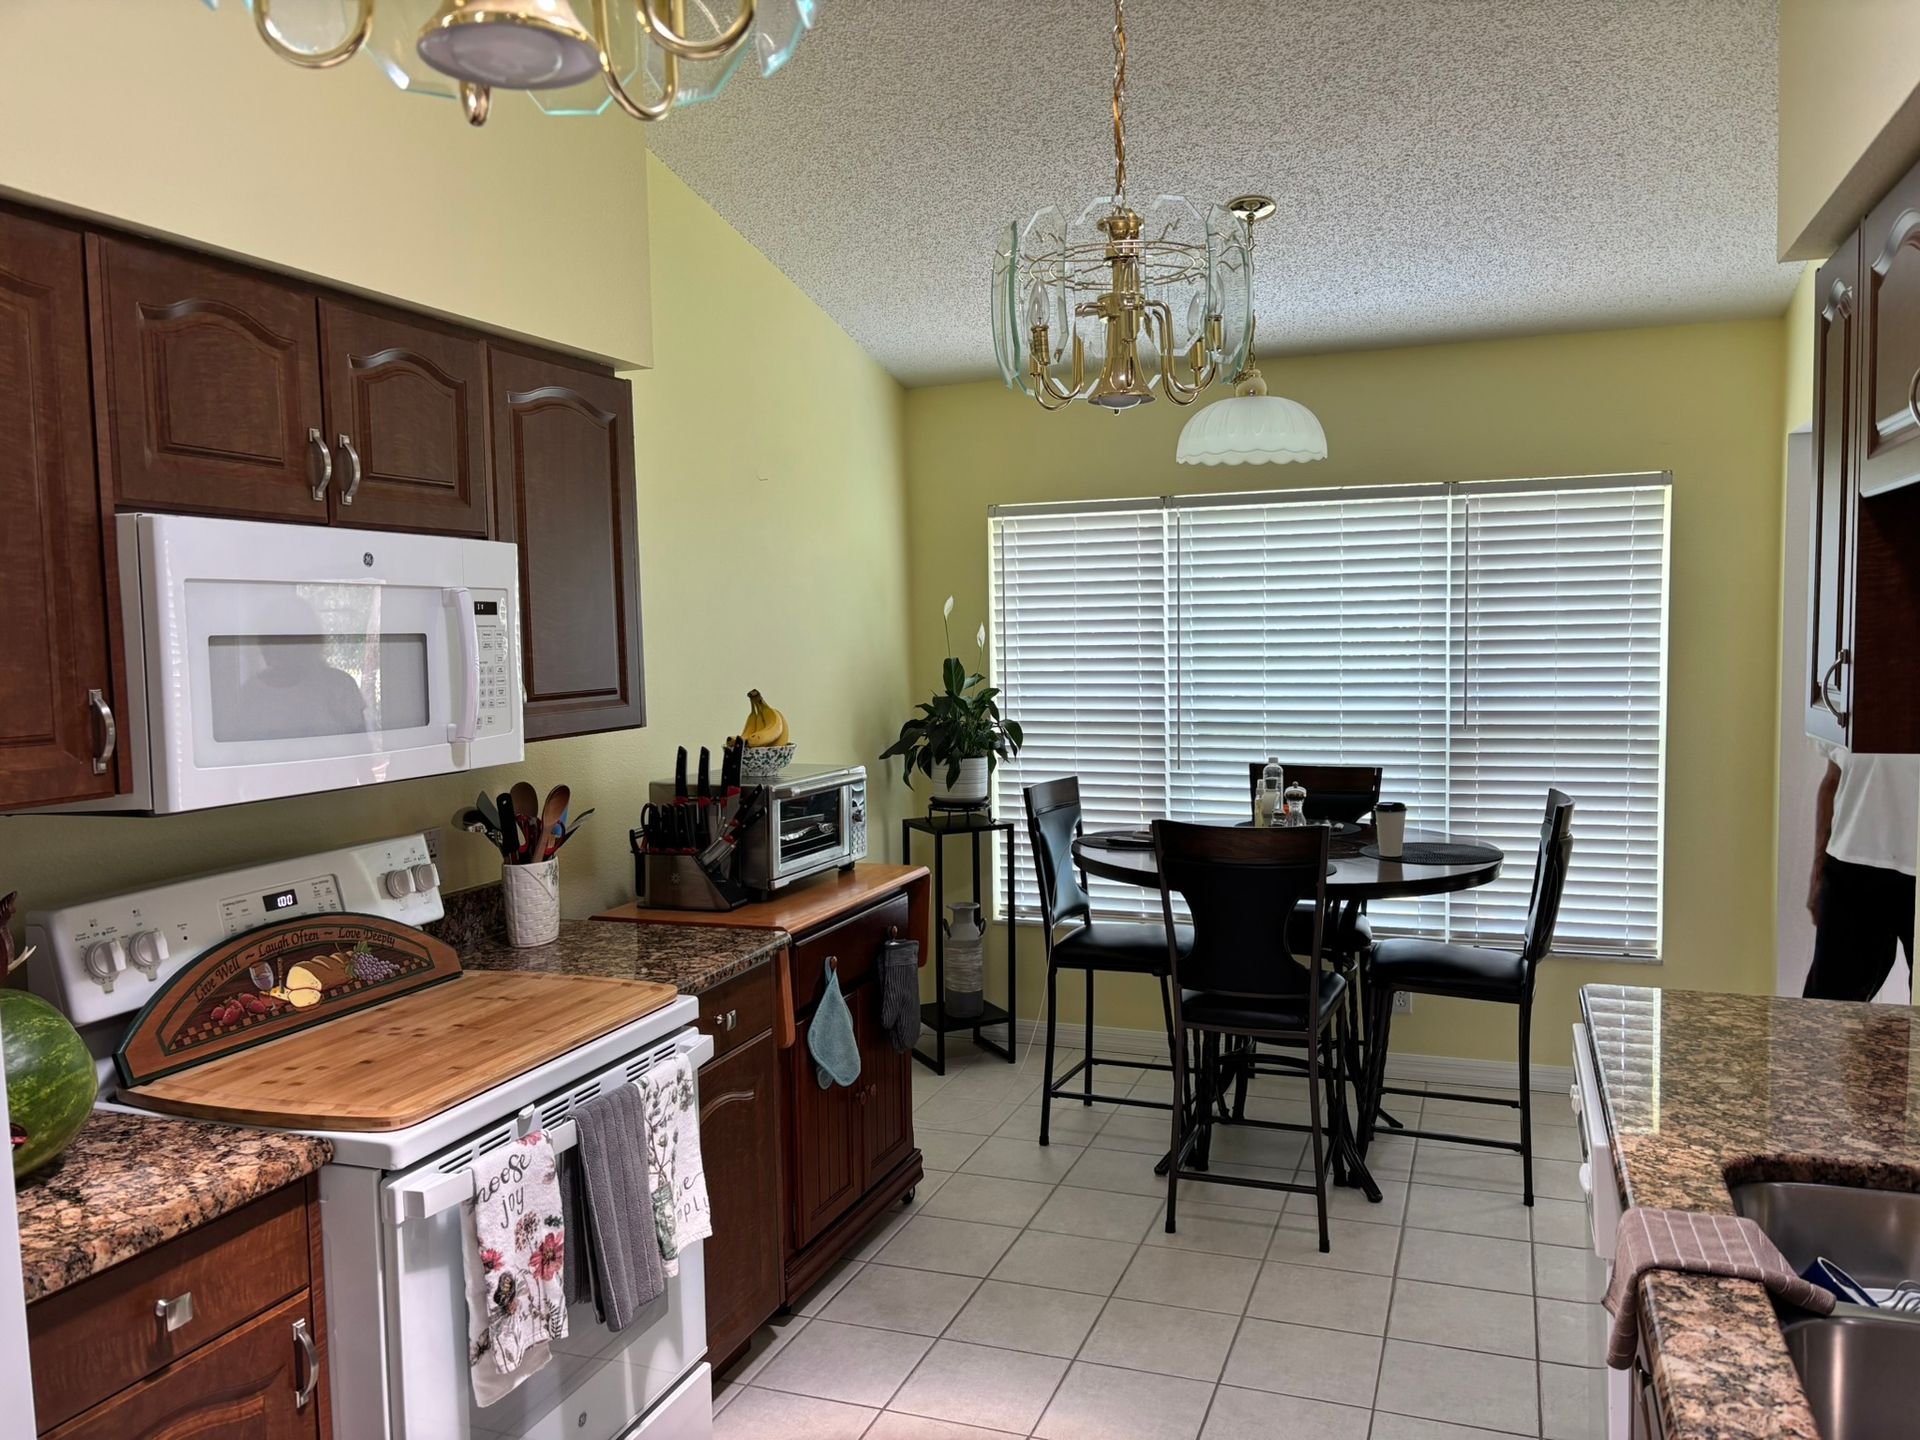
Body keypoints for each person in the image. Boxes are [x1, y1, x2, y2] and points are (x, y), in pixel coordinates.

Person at [1803, 744, 1919, 1001]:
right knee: (1826, 1014)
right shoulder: (1845, 705)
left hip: (1916, 872)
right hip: (1850, 872)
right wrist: (1817, 873)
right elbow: (1832, 781)